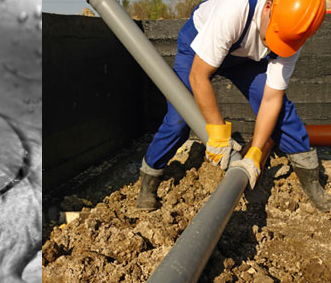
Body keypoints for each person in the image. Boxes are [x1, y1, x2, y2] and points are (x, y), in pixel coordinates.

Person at [137, 0, 328, 211]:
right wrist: (218, 135)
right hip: (198, 46)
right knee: (179, 120)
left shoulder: (291, 38)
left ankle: (313, 184)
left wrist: (255, 153)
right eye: (276, 36)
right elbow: (199, 76)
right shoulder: (234, 9)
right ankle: (149, 178)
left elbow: (271, 98)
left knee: (283, 113)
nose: (278, 44)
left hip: (246, 60)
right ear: (268, 7)